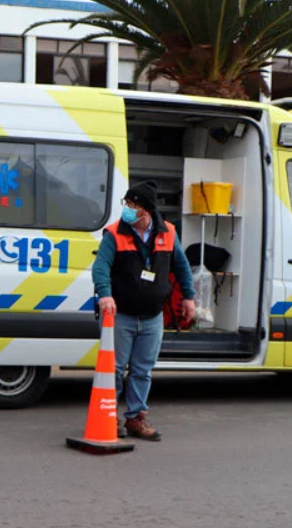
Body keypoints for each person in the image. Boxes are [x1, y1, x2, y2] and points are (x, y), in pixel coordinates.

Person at [92, 181, 195, 441]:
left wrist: (189, 298)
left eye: (132, 205)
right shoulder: (114, 233)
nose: (127, 209)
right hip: (121, 316)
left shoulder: (168, 233)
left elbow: (181, 267)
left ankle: (136, 419)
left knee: (142, 370)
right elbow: (100, 267)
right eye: (126, 204)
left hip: (152, 317)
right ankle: (110, 417)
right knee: (113, 370)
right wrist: (105, 294)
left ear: (146, 211)